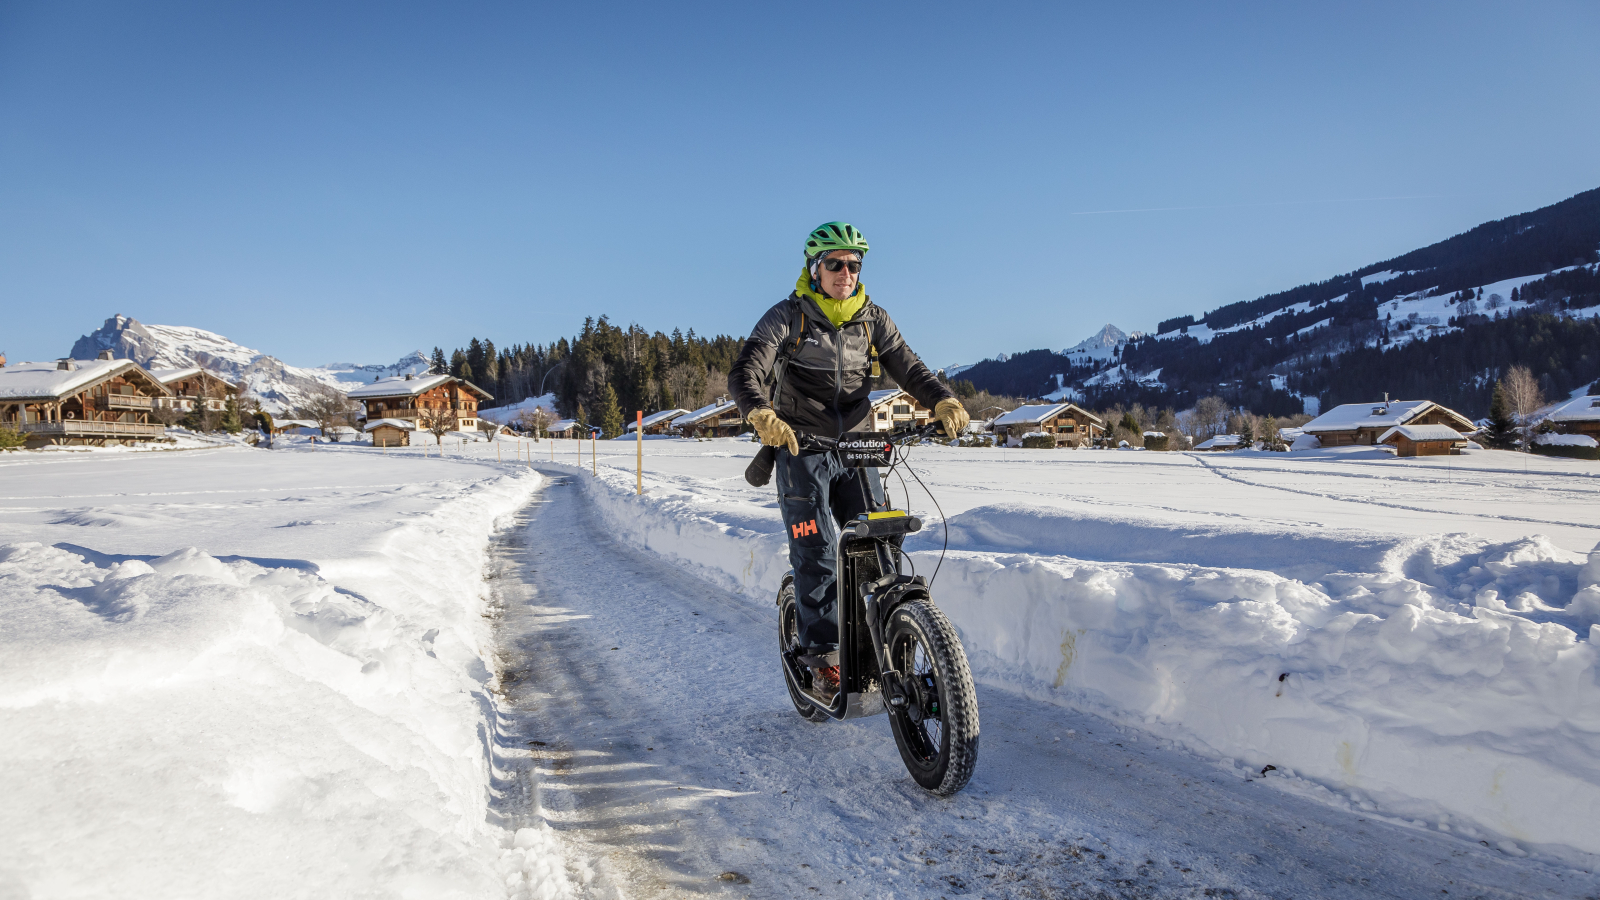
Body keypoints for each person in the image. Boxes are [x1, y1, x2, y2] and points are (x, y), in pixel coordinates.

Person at [729, 222, 969, 697]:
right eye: (834, 264)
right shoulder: (788, 317)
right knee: (817, 552)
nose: (845, 272)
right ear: (814, 268)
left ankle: (889, 637)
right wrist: (759, 412)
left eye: (853, 264)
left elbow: (909, 366)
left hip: (859, 448)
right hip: (801, 449)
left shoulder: (872, 318)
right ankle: (823, 660)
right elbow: (747, 369)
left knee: (879, 543)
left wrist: (941, 400)